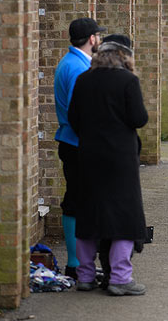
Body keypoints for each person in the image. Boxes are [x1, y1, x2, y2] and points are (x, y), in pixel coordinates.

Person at [68, 34, 149, 295]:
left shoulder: (83, 80)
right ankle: (120, 278)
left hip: (89, 156)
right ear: (124, 56)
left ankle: (85, 276)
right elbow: (138, 119)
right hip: (120, 159)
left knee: (89, 213)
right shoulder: (128, 81)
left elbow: (74, 119)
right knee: (125, 215)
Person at [53, 17, 105, 279]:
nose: (100, 40)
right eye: (98, 35)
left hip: (73, 141)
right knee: (75, 202)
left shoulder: (75, 63)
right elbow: (80, 111)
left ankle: (79, 262)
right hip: (77, 143)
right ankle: (75, 264)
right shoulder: (76, 68)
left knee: (78, 201)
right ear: (91, 39)